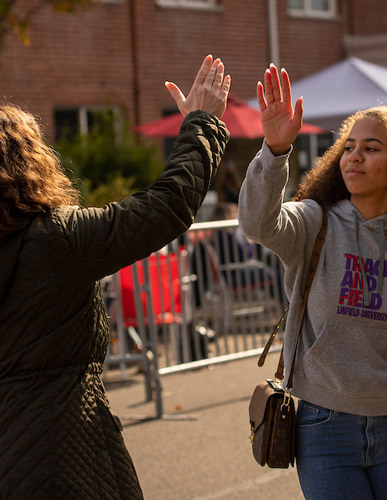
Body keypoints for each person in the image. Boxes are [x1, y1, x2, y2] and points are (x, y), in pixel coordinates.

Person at [238, 63, 387, 500]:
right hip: (323, 425)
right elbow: (256, 222)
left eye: (371, 148)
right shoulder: (314, 224)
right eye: (348, 148)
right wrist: (274, 150)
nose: (354, 157)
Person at [0, 55, 230, 499]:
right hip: (63, 447)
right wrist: (201, 125)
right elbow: (165, 207)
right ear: (32, 163)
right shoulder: (57, 240)